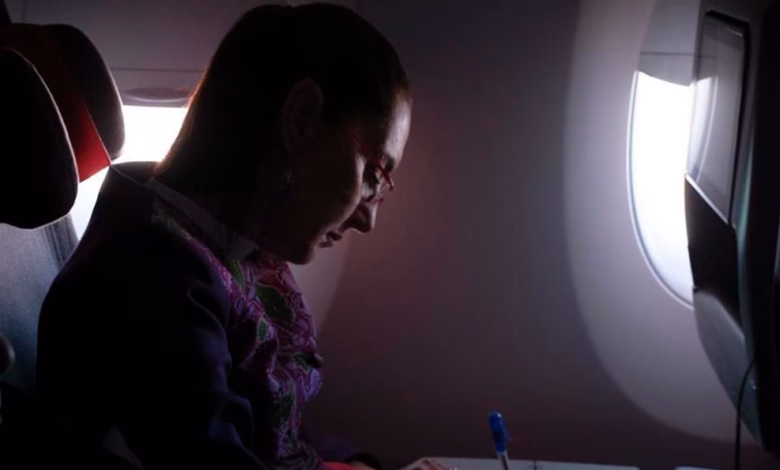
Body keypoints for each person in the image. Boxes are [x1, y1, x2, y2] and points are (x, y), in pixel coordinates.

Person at [36, 3, 425, 469]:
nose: (368, 219)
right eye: (374, 176)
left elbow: (271, 424)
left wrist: (361, 466)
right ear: (301, 118)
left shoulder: (226, 248)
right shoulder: (151, 277)